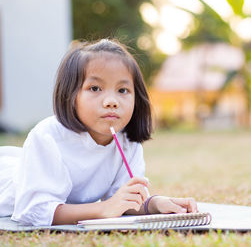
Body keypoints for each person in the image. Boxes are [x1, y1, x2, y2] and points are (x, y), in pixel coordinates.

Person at [0, 39, 197, 226]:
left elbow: (121, 201)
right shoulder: (47, 137)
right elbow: (35, 211)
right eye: (95, 88)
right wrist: (104, 209)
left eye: (123, 90)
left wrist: (155, 203)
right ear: (70, 95)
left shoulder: (127, 141)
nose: (111, 101)